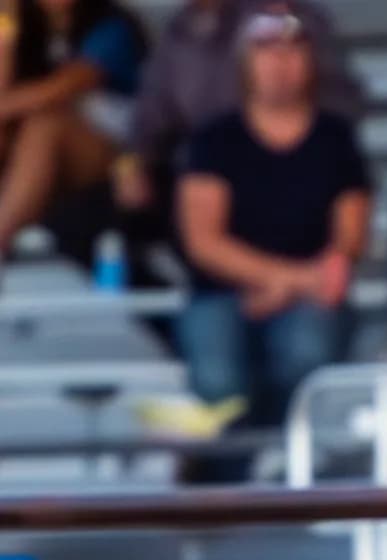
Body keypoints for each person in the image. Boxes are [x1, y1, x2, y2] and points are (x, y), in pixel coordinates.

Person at [172, 3, 368, 441]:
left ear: (312, 59)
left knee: (306, 355)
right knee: (218, 381)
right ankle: (231, 473)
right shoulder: (213, 138)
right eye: (266, 48)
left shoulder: (337, 139)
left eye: (292, 48)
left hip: (311, 294)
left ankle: (282, 460)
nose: (280, 61)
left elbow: (350, 239)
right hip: (225, 294)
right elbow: (203, 242)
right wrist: (291, 279)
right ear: (245, 60)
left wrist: (290, 288)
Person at [120, 0, 360, 275]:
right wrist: (132, 161)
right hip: (209, 158)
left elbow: (342, 98)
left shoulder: (286, 15)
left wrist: (290, 125)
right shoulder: (182, 28)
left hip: (294, 154)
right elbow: (152, 107)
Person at [0, 0, 147, 279]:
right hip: (43, 156)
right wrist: (6, 21)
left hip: (119, 155)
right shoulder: (34, 29)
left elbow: (58, 90)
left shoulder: (111, 28)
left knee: (46, 125)